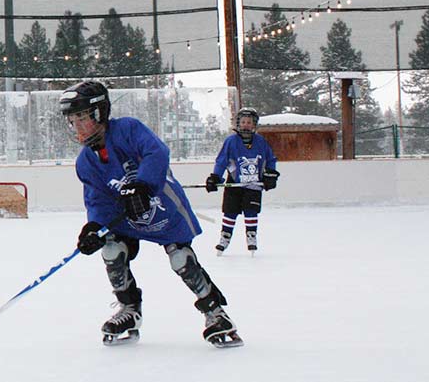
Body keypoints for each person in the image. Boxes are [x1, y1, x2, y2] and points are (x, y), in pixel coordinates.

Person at [60, 80, 242, 348]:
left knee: (181, 259)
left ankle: (215, 313)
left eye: (82, 118)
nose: (77, 125)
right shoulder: (85, 162)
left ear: (100, 113)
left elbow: (155, 152)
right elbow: (97, 200)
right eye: (72, 120)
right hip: (128, 219)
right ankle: (129, 310)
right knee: (111, 251)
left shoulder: (128, 130)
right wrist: (94, 227)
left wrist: (142, 185)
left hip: (164, 211)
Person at [205, 108, 279, 256]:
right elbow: (222, 161)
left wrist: (270, 174)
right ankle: (225, 237)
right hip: (234, 183)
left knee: (251, 211)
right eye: (243, 122)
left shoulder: (260, 142)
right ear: (238, 123)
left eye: (249, 122)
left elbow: (270, 159)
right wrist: (215, 177)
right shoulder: (231, 141)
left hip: (254, 184)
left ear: (254, 125)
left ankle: (251, 235)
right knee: (230, 211)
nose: (246, 125)